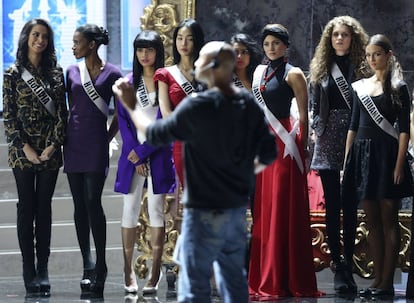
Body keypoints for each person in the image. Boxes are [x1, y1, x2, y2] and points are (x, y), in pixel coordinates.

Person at [112, 41, 277, 303]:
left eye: (201, 58)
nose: (196, 62)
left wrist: (131, 107)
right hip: (233, 206)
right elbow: (268, 153)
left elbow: (156, 132)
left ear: (214, 67)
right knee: (233, 278)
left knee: (195, 282)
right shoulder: (247, 103)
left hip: (201, 207)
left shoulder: (197, 106)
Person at [248, 24, 320, 299]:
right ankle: (266, 275)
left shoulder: (294, 74)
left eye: (276, 43)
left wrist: (300, 149)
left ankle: (283, 277)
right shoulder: (260, 73)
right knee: (265, 210)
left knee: (280, 209)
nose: (271, 48)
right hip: (264, 145)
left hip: (285, 147)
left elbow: (303, 116)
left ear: (285, 45)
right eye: (267, 43)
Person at [343, 34, 412, 298]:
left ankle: (386, 282)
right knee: (371, 221)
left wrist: (398, 165)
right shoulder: (359, 86)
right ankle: (375, 282)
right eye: (369, 55)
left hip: (387, 156)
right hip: (362, 157)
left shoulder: (398, 87)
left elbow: (404, 130)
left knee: (388, 220)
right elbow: (352, 126)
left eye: (377, 54)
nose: (372, 59)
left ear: (388, 55)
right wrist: (348, 162)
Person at [2, 18, 67, 297]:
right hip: (22, 152)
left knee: (44, 210)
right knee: (26, 208)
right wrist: (26, 148)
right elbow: (9, 115)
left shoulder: (56, 73)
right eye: (35, 34)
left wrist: (52, 146)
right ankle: (28, 270)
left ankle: (43, 270)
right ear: (26, 37)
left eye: (44, 36)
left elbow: (62, 114)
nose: (40, 40)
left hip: (49, 152)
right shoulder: (12, 73)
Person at [308, 15, 369, 293]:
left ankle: (350, 263)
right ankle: (338, 265)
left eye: (345, 34)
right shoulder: (322, 68)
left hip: (355, 136)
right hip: (328, 137)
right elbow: (313, 105)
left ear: (353, 38)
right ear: (329, 40)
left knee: (350, 204)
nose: (340, 39)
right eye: (335, 35)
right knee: (333, 205)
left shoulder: (364, 67)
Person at [114, 30, 175, 295]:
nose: (144, 55)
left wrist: (145, 152)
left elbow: (166, 122)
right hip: (132, 156)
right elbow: (124, 122)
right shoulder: (127, 82)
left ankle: (154, 273)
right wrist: (135, 152)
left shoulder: (166, 82)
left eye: (149, 50)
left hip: (159, 153)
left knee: (157, 211)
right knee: (128, 209)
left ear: (157, 53)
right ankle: (128, 270)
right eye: (140, 50)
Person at [64, 24, 122, 299]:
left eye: (77, 42)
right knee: (78, 205)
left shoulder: (113, 73)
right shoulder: (71, 72)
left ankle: (101, 264)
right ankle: (87, 264)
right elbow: (70, 106)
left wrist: (105, 136)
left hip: (96, 144)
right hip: (73, 144)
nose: (73, 46)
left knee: (92, 201)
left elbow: (121, 114)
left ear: (91, 44)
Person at [154, 18, 205, 189]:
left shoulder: (209, 71)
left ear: (197, 41)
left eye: (189, 38)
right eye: (180, 38)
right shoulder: (166, 74)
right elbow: (166, 112)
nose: (183, 43)